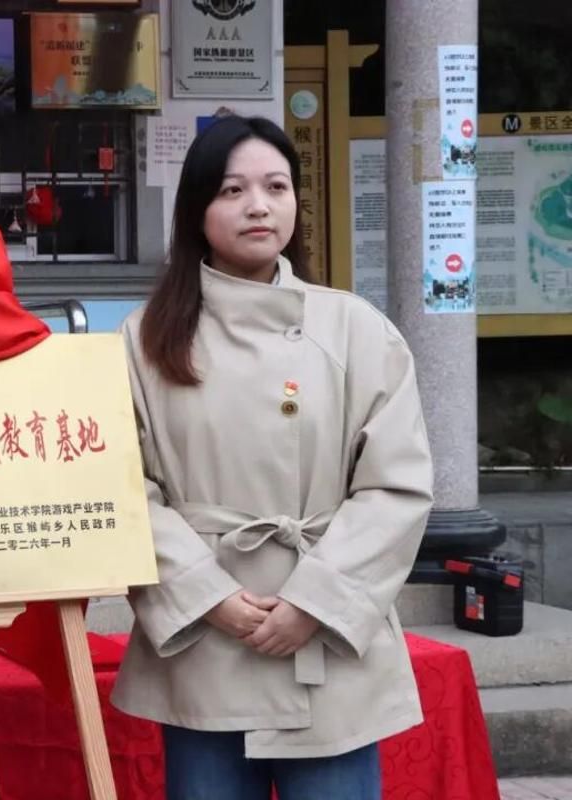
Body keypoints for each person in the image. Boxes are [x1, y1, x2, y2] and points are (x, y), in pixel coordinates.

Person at [111, 115, 434, 799]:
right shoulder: (145, 341)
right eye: (233, 190)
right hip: (207, 646)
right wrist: (211, 599)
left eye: (276, 187)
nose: (258, 206)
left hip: (327, 642)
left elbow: (396, 488)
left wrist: (314, 602)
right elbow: (122, 489)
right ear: (197, 209)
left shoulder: (356, 329)